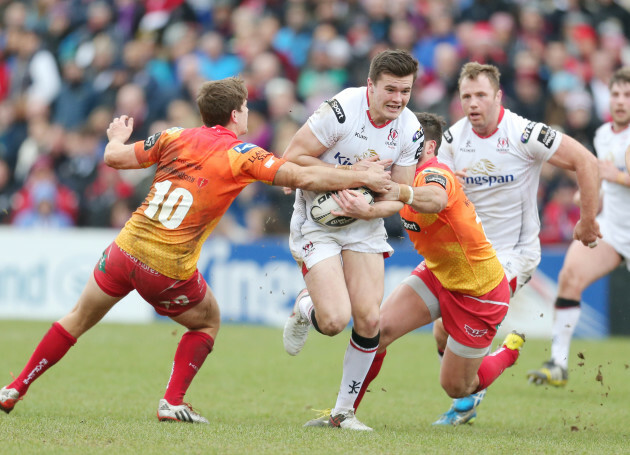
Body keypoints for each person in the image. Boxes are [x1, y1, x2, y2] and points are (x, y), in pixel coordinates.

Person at [0, 77, 392, 422]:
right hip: (166, 267)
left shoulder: (174, 135)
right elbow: (300, 173)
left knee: (77, 318)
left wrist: (117, 138)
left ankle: (15, 387)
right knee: (207, 322)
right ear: (236, 114)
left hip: (124, 249)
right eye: (246, 109)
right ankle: (172, 401)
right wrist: (361, 174)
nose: (248, 114)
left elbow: (113, 157)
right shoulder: (242, 154)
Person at [355, 62, 602, 426]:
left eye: (481, 95)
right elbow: (433, 186)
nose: (473, 103)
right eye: (466, 96)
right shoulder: (453, 140)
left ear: (498, 96)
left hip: (510, 257)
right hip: (456, 254)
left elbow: (585, 160)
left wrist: (588, 219)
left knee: (452, 359)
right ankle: (349, 411)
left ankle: (475, 382)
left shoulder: (523, 133)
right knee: (397, 329)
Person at [312, 111, 526, 429]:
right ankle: (342, 415)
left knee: (457, 387)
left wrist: (397, 192)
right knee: (377, 331)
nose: (402, 153)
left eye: (411, 146)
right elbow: (375, 194)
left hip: (480, 293)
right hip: (437, 273)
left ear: (428, 148)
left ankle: (509, 351)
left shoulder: (434, 174)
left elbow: (436, 199)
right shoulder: (401, 173)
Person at [281, 49, 424, 431]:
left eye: (405, 91)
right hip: (317, 219)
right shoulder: (342, 109)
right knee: (332, 321)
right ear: (370, 86)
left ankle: (343, 413)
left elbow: (401, 192)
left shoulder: (410, 127)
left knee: (369, 317)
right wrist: (352, 175)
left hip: (364, 222)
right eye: (390, 89)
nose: (397, 99)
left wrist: (370, 210)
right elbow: (291, 160)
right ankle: (304, 306)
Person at [527, 67, 630, 386]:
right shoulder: (603, 135)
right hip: (612, 229)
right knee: (570, 276)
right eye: (616, 94)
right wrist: (591, 193)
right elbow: (604, 179)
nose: (621, 101)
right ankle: (558, 363)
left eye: (628, 95)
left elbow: (615, 175)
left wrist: (618, 177)